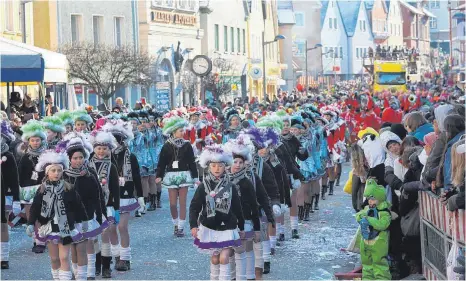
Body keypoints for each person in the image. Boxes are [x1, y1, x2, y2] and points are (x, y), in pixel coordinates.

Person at [27, 150, 88, 280]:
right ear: (47, 172)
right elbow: (35, 208)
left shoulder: (68, 188)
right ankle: (57, 278)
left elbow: (78, 205)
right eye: (53, 171)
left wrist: (83, 221)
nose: (56, 173)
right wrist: (30, 223)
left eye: (59, 171)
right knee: (54, 259)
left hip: (66, 227)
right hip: (50, 227)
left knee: (64, 257)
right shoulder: (42, 189)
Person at [189, 144, 245, 281]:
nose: (217, 169)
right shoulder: (203, 186)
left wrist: (242, 227)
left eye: (220, 165)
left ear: (225, 166)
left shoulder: (231, 186)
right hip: (209, 227)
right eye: (213, 166)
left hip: (228, 227)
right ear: (208, 167)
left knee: (224, 257)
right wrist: (193, 225)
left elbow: (238, 208)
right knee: (215, 259)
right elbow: (194, 206)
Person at [61, 133, 107, 280]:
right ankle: (76, 273)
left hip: (87, 216)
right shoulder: (63, 175)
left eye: (81, 157)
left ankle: (90, 273)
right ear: (69, 159)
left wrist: (100, 215)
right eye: (75, 158)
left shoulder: (90, 173)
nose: (78, 161)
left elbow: (98, 195)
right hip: (70, 217)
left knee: (88, 244)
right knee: (74, 247)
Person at [102, 119, 143, 272]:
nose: (113, 145)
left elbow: (137, 176)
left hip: (126, 195)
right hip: (110, 196)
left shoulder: (130, 157)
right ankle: (117, 256)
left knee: (122, 226)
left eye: (116, 141)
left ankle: (126, 258)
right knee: (111, 228)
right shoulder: (104, 157)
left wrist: (140, 196)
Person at [224, 135, 261, 280]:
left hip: (245, 220)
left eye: (240, 162)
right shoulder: (223, 180)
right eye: (235, 162)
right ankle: (232, 277)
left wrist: (257, 228)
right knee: (229, 251)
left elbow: (254, 205)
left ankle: (246, 277)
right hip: (227, 221)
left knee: (243, 249)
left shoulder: (246, 182)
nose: (238, 165)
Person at [156, 116, 198, 237]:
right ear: (173, 132)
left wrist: (195, 177)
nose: (183, 132)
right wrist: (159, 175)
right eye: (180, 130)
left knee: (183, 202)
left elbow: (192, 162)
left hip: (184, 175)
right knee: (173, 204)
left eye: (183, 130)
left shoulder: (187, 145)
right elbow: (162, 162)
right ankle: (175, 223)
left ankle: (180, 227)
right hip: (171, 175)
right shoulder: (166, 146)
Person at [88, 131, 120, 278]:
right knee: (93, 236)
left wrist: (116, 209)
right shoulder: (87, 165)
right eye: (98, 148)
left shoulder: (112, 166)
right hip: (91, 206)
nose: (101, 151)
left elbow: (115, 189)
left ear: (109, 149)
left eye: (104, 148)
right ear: (93, 148)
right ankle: (97, 264)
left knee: (105, 235)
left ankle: (106, 266)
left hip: (107, 205)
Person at [18, 120, 48, 253]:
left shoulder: (46, 155)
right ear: (28, 141)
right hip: (28, 190)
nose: (35, 142)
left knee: (41, 215)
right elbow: (20, 174)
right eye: (33, 140)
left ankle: (41, 241)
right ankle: (36, 239)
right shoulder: (25, 157)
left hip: (42, 188)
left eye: (38, 140)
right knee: (31, 216)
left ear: (41, 140)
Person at [356, 179, 392, 280]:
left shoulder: (384, 212)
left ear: (379, 199)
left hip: (378, 243)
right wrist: (361, 217)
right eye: (369, 199)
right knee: (367, 267)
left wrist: (369, 219)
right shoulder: (367, 208)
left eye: (372, 199)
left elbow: (382, 225)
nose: (370, 201)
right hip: (366, 242)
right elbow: (358, 215)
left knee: (380, 266)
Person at [0, 120, 20, 269]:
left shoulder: (8, 156)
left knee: (2, 225)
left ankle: (4, 257)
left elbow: (14, 179)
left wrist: (16, 200)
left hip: (4, 194)